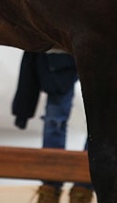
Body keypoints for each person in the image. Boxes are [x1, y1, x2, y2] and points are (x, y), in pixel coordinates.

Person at [12, 50, 93, 203]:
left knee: (97, 123)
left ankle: (81, 188)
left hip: (84, 46)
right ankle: (54, 186)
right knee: (55, 122)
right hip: (61, 49)